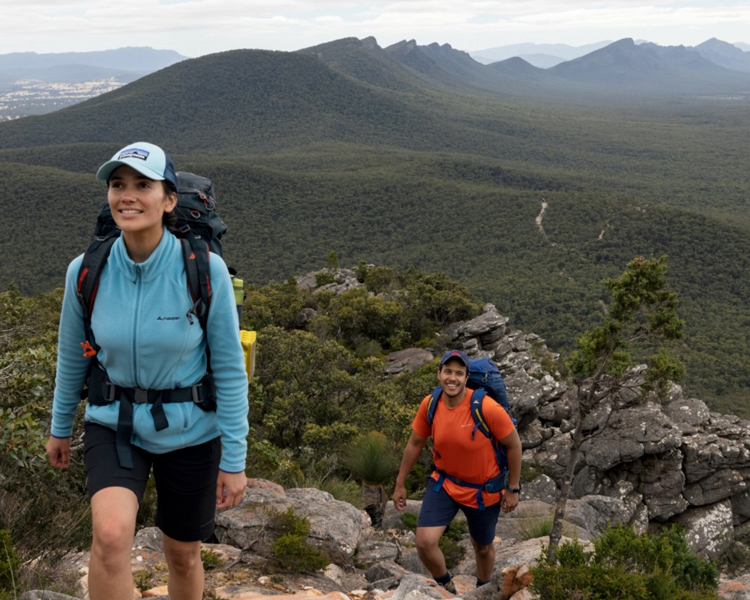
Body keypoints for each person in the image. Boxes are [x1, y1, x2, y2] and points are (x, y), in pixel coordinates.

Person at [45, 142, 249, 600]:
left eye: (143, 185)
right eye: (118, 185)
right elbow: (71, 356)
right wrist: (60, 428)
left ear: (169, 199)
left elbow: (231, 371)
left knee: (182, 553)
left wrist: (234, 459)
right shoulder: (86, 271)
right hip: (113, 422)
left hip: (192, 430)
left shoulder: (204, 271)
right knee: (112, 538)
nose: (128, 195)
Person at [392, 349, 522, 592]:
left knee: (482, 547)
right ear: (439, 374)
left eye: (459, 373)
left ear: (466, 377)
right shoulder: (431, 404)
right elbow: (415, 443)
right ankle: (447, 588)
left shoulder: (486, 407)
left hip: (483, 490)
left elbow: (514, 444)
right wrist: (400, 483)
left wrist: (513, 488)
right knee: (424, 543)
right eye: (448, 371)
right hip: (445, 484)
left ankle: (481, 592)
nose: (453, 378)